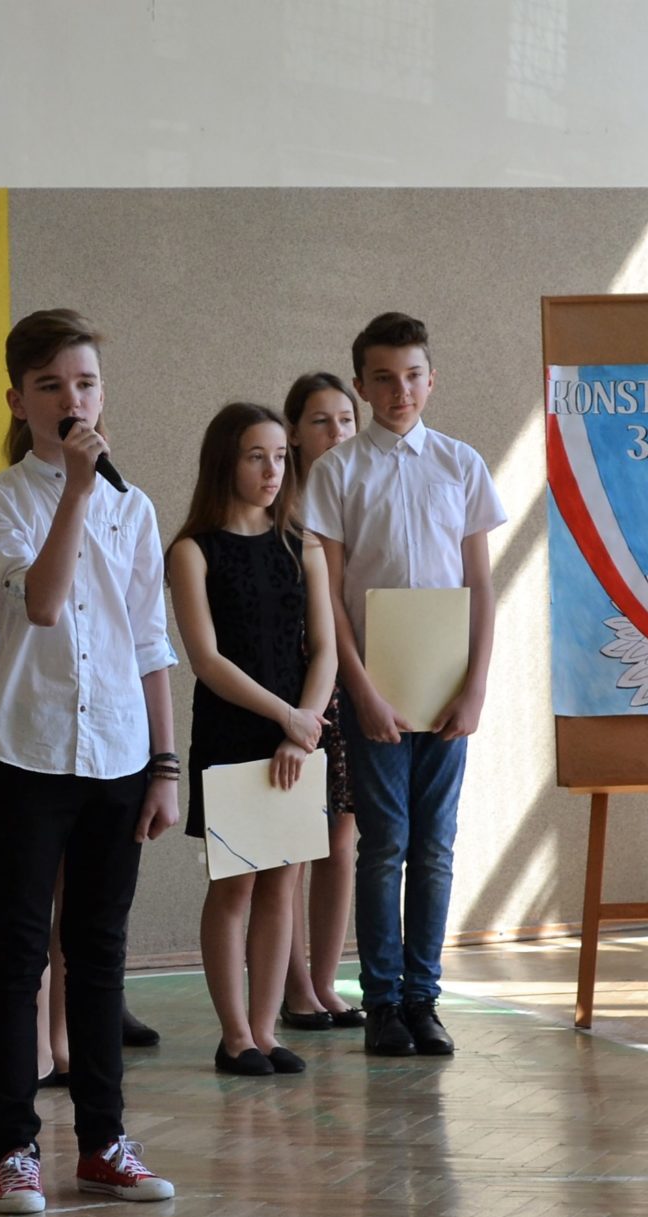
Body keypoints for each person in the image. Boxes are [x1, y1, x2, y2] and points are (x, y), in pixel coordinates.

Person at [0, 309, 180, 1215]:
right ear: (20, 400)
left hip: (120, 753)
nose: (72, 398)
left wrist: (165, 765)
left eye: (85, 382)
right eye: (51, 384)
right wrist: (78, 494)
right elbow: (46, 605)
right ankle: (15, 1149)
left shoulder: (138, 506)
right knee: (19, 953)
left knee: (99, 953)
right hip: (27, 753)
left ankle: (104, 1144)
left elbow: (150, 640)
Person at [301, 313, 504, 1058]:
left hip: (446, 687)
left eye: (413, 375)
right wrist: (358, 689)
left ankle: (424, 999)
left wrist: (475, 685)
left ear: (431, 379)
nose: (400, 391)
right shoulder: (337, 472)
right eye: (383, 378)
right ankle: (383, 1001)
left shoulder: (460, 463)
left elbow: (480, 585)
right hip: (376, 688)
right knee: (384, 845)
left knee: (436, 847)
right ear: (361, 385)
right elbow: (330, 595)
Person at [168, 402, 334, 1076]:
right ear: (225, 462)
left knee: (282, 885)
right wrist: (285, 717)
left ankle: (266, 1031)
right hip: (232, 731)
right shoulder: (192, 550)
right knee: (235, 886)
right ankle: (234, 1035)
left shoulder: (303, 544)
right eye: (255, 457)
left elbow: (324, 649)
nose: (272, 471)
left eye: (280, 457)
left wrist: (304, 726)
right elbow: (207, 660)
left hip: (298, 736)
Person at [278, 372, 365, 1031]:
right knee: (290, 842)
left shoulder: (363, 494)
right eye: (320, 421)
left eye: (345, 419)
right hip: (293, 685)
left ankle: (326, 981)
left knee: (342, 837)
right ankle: (293, 986)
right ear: (293, 434)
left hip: (354, 679)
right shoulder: (278, 506)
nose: (336, 433)